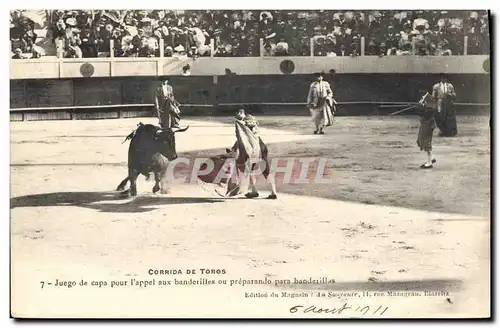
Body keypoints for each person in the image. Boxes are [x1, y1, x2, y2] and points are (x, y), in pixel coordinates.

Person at [417, 90, 438, 169]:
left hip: (428, 123)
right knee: (421, 140)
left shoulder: (430, 98)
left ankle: (429, 163)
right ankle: (431, 158)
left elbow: (431, 110)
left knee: (426, 141)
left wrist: (423, 106)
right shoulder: (424, 98)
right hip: (425, 123)